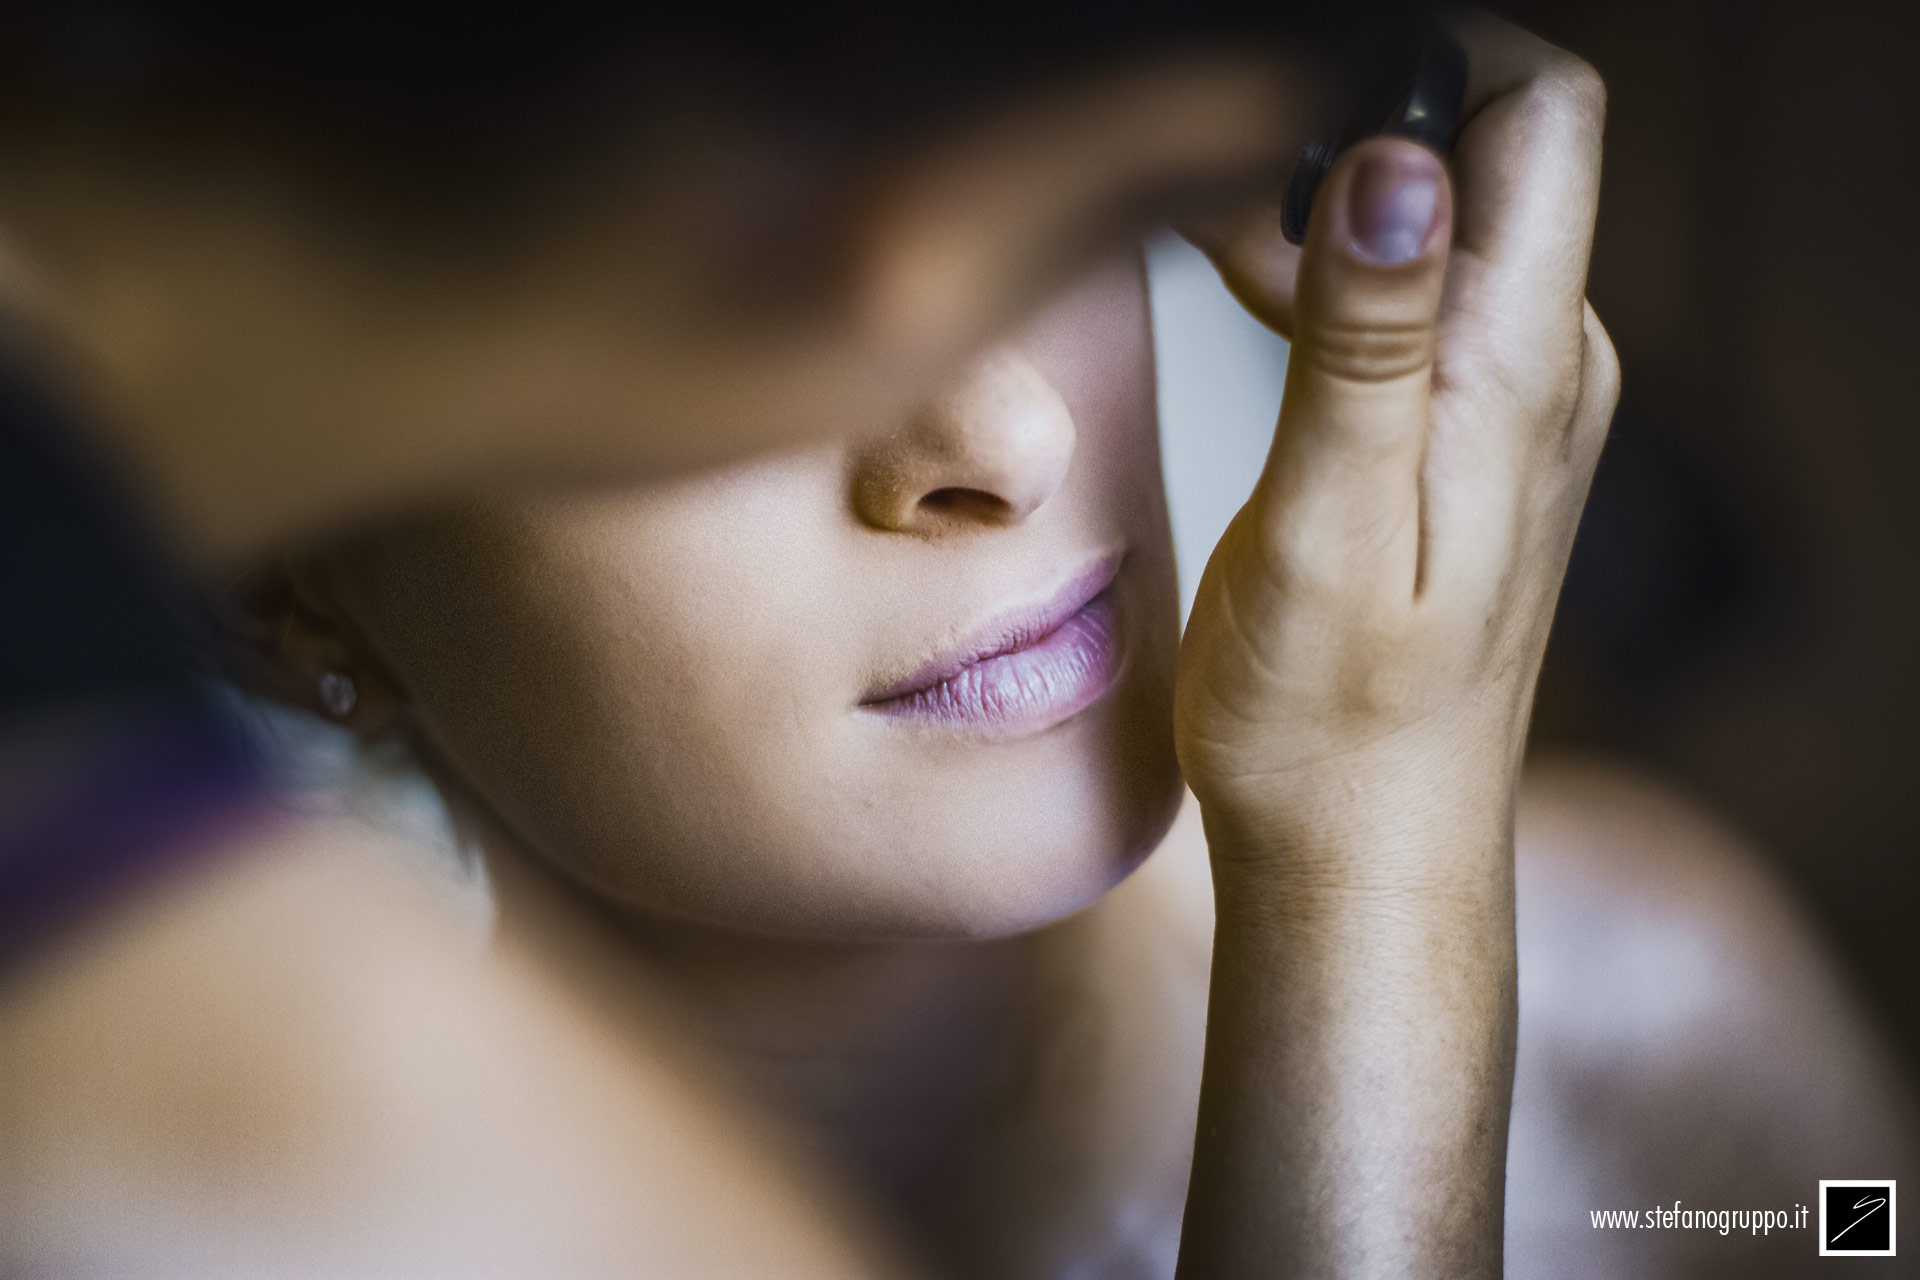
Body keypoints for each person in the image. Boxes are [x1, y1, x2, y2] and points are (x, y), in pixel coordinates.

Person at [214, 183, 1913, 1280]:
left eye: (1023, 207)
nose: (1008, 433)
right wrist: (1371, 902)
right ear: (289, 556)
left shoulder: (1653, 1037)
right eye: (701, 335)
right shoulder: (182, 1226)